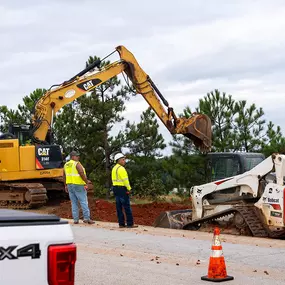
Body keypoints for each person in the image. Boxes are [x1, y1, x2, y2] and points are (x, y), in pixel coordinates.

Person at [63, 150, 95, 224]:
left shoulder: (66, 165)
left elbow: (64, 176)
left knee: (74, 203)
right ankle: (87, 218)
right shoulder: (76, 164)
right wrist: (86, 181)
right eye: (77, 156)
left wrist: (65, 185)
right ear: (72, 157)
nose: (78, 157)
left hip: (70, 185)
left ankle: (76, 220)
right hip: (78, 185)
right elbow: (81, 172)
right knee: (83, 201)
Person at [111, 152, 138, 228]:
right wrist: (129, 188)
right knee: (127, 207)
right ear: (118, 160)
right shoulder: (121, 169)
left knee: (119, 207)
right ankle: (130, 224)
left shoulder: (114, 168)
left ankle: (121, 224)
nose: (124, 161)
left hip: (115, 189)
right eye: (123, 159)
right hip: (122, 189)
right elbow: (125, 180)